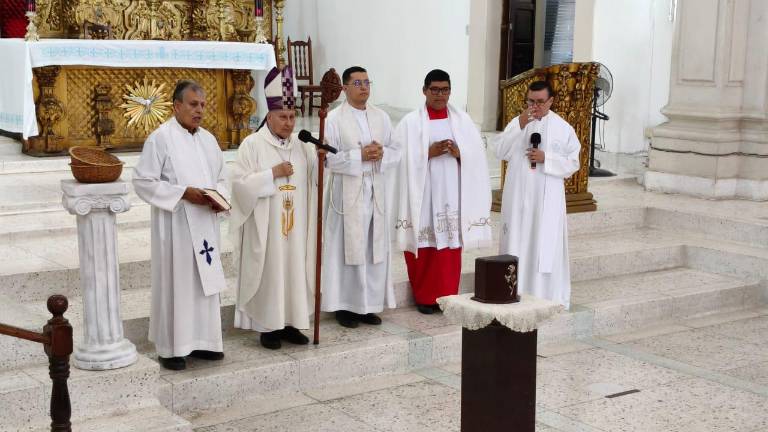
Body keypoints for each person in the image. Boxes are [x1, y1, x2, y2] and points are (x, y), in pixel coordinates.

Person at [133, 80, 228, 371]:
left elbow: (222, 177)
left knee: (203, 285)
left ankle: (204, 342)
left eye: (202, 104)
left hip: (205, 224)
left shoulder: (209, 140)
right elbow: (142, 181)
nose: (199, 110)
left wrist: (219, 197)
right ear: (176, 106)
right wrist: (182, 192)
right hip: (176, 226)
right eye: (193, 104)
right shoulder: (161, 138)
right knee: (179, 284)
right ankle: (172, 347)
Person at [229, 66, 318, 350]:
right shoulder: (252, 145)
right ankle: (269, 326)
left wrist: (321, 163)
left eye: (292, 117)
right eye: (283, 117)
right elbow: (239, 185)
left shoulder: (302, 146)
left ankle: (292, 322)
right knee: (271, 270)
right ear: (269, 116)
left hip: (296, 224)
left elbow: (314, 179)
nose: (289, 123)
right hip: (266, 225)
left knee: (293, 269)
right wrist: (271, 174)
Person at [393, 69, 492, 315]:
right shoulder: (410, 123)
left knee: (449, 249)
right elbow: (396, 157)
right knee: (425, 247)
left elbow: (477, 156)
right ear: (424, 91)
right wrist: (427, 153)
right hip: (423, 194)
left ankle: (448, 296)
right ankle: (425, 297)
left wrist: (461, 154)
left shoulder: (462, 121)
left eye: (445, 90)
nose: (440, 95)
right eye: (435, 90)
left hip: (452, 193)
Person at [320, 66, 401, 328]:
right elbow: (326, 159)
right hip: (347, 193)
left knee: (371, 246)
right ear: (344, 88)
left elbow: (397, 151)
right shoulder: (333, 119)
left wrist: (382, 154)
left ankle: (368, 305)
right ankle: (345, 306)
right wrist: (359, 156)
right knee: (347, 248)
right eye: (357, 83)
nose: (364, 87)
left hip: (374, 190)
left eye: (367, 82)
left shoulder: (382, 117)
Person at [493, 80, 580, 308]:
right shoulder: (518, 123)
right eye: (531, 101)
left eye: (540, 102)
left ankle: (545, 295)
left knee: (543, 244)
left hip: (546, 200)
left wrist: (546, 159)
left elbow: (573, 163)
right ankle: (514, 290)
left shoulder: (564, 129)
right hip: (518, 199)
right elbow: (499, 150)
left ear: (551, 101)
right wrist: (519, 124)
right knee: (517, 241)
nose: (535, 106)